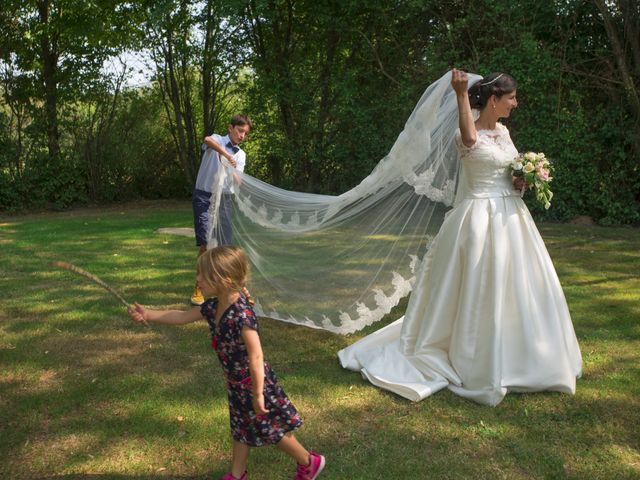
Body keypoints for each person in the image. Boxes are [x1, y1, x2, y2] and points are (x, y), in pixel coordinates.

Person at [338, 68, 583, 406]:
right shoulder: (465, 134)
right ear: (494, 100)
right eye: (511, 97)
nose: (516, 102)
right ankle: (475, 355)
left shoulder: (505, 132)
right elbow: (470, 139)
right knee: (479, 285)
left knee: (521, 285)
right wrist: (460, 93)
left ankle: (527, 355)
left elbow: (507, 170)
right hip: (479, 218)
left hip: (512, 217)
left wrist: (522, 180)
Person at [128, 246, 325, 480]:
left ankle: (308, 461)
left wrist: (258, 393)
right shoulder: (213, 306)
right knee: (241, 428)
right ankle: (236, 474)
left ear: (225, 280)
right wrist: (149, 314)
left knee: (271, 430)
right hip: (236, 383)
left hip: (255, 384)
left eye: (203, 275)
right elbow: (181, 316)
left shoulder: (242, 315)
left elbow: (256, 356)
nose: (197, 279)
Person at [191, 115, 252, 305]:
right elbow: (207, 140)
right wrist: (225, 155)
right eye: (240, 131)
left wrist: (234, 172)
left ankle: (234, 288)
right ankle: (199, 288)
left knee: (226, 245)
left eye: (245, 133)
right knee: (206, 241)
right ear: (231, 128)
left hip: (225, 199)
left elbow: (238, 180)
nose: (242, 136)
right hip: (204, 195)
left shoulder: (241, 155)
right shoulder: (217, 139)